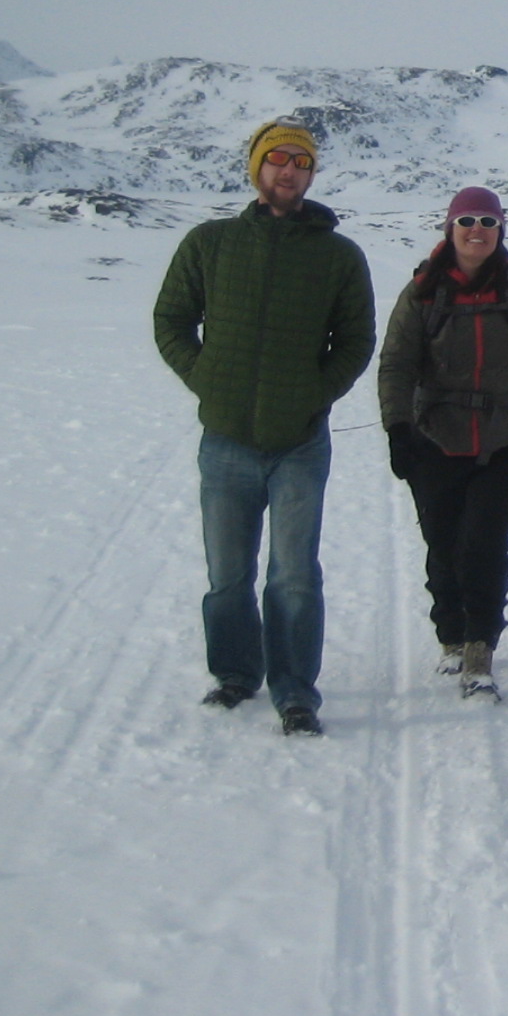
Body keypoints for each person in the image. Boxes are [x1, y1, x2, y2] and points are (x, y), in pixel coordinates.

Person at [152, 120, 375, 737]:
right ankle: (234, 673)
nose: (289, 170)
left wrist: (316, 392)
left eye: (301, 162)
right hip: (225, 439)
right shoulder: (211, 243)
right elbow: (172, 318)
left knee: (294, 575)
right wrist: (206, 379)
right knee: (227, 574)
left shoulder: (338, 256)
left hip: (300, 441)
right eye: (277, 159)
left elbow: (356, 339)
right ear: (257, 168)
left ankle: (296, 691)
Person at [375, 185, 508, 702]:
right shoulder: (421, 292)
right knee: (443, 544)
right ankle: (451, 636)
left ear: (501, 229)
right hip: (433, 440)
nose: (477, 230)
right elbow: (396, 363)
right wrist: (397, 428)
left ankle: (480, 646)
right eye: (467, 221)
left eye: (487, 221)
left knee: (483, 546)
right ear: (450, 228)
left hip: (505, 441)